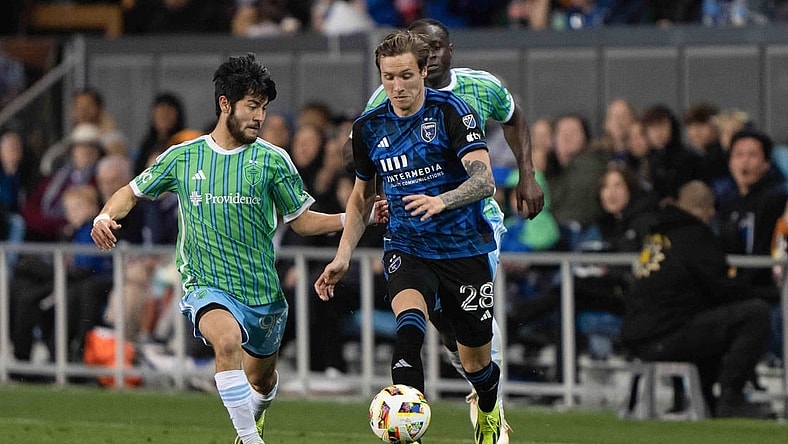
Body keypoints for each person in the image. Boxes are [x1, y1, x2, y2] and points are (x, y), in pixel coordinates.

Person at [91, 53, 385, 444]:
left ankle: (255, 418)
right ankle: (249, 438)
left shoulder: (273, 161)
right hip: (205, 284)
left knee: (261, 380)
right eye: (252, 106)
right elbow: (130, 193)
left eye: (263, 108)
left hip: (261, 291)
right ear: (225, 104)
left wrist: (354, 220)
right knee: (226, 341)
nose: (260, 117)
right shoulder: (184, 156)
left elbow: (301, 220)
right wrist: (103, 217)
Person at [315, 30, 502, 444]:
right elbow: (362, 197)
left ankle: (488, 411)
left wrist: (443, 201)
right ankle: (406, 428)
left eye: (405, 76)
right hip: (406, 245)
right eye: (388, 78)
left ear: (423, 71)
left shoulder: (452, 112)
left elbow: (484, 179)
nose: (397, 87)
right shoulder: (368, 128)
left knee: (477, 363)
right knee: (409, 327)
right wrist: (343, 255)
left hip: (464, 247)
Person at [361, 19, 544, 442]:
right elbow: (376, 149)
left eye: (438, 46)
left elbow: (514, 118)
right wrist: (381, 198)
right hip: (414, 234)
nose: (433, 54)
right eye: (424, 47)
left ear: (449, 50)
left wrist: (527, 173)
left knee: (473, 332)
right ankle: (423, 407)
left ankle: (490, 409)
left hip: (472, 227)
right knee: (438, 323)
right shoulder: (382, 100)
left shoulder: (480, 89)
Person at [621, 180, 774, 419]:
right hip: (664, 336)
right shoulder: (695, 236)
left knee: (706, 323)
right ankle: (731, 398)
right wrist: (766, 293)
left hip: (638, 335)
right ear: (708, 210)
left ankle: (706, 399)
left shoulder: (658, 235)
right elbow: (723, 288)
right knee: (755, 314)